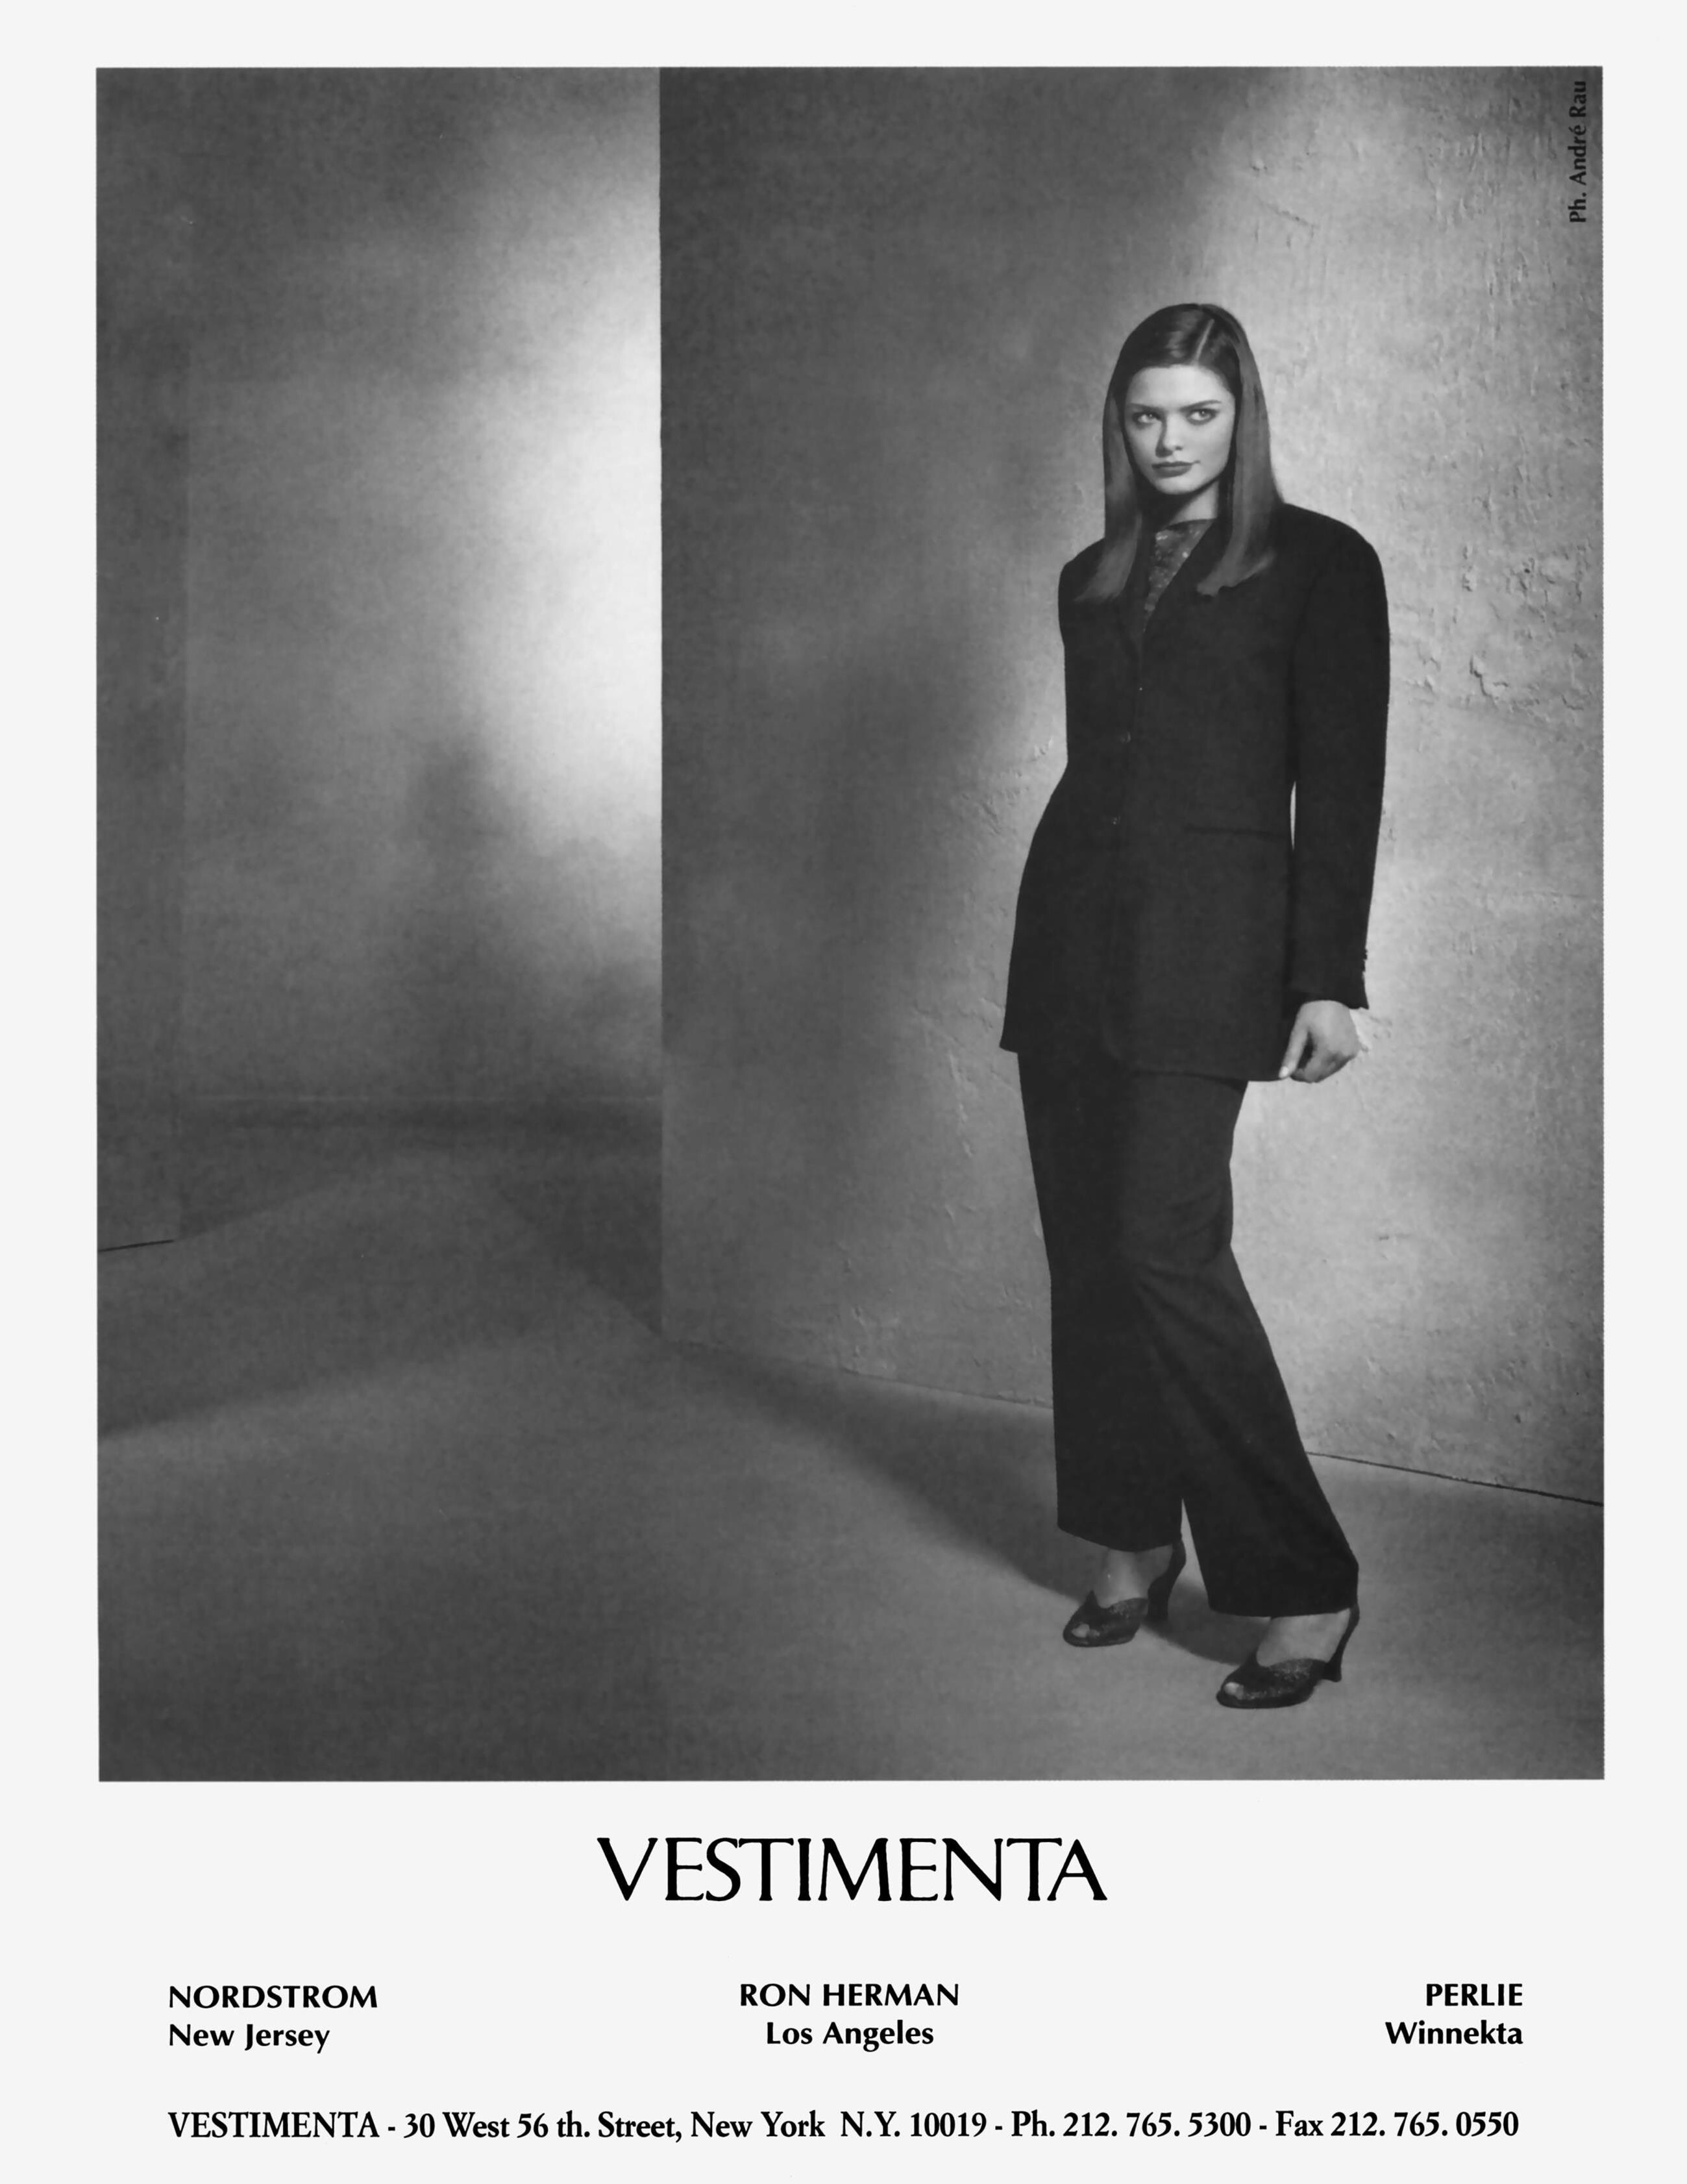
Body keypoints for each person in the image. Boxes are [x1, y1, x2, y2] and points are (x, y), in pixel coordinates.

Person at [999, 303, 1388, 1710]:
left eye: (1199, 415)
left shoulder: (1321, 563)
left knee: (1162, 1242)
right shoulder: (1087, 577)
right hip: (1069, 946)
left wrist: (1327, 975)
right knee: (1090, 1252)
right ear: (1120, 423)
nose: (1170, 440)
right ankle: (1132, 1533)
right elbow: (1105, 771)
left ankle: (1303, 1579)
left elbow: (1338, 782)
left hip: (1211, 952)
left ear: (1243, 418)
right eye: (1147, 415)